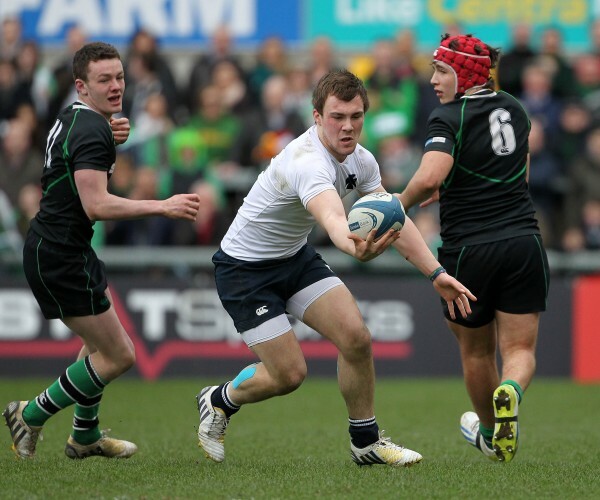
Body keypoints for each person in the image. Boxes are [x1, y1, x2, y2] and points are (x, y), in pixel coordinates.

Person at [196, 69, 476, 467]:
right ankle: (218, 399)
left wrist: (436, 273)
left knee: (356, 338)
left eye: (356, 116)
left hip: (294, 258)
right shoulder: (307, 161)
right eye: (337, 117)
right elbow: (333, 220)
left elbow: (393, 216)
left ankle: (365, 443)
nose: (348, 127)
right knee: (289, 375)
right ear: (316, 117)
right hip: (245, 270)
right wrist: (353, 247)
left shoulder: (362, 160)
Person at [2, 42, 200, 460]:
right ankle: (31, 414)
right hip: (59, 255)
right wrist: (162, 205)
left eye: (120, 77)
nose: (116, 87)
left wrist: (109, 133)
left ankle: (84, 436)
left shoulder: (78, 117)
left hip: (66, 248)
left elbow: (73, 156)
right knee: (119, 355)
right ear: (81, 85)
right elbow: (97, 204)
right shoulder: (93, 129)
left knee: (99, 348)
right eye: (104, 80)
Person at [398, 34, 550, 463]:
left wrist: (399, 203)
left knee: (477, 351)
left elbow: (430, 176)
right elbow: (515, 178)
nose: (432, 80)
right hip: (524, 243)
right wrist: (457, 187)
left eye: (441, 70)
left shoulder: (448, 116)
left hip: (469, 252)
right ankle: (512, 391)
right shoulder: (517, 109)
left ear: (464, 74)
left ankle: (488, 432)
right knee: (520, 352)